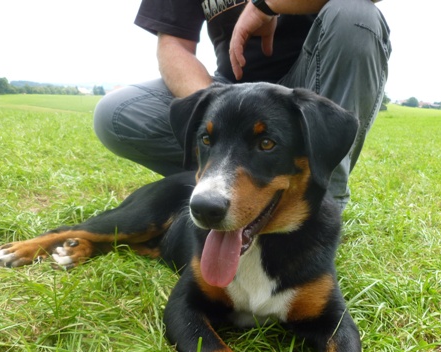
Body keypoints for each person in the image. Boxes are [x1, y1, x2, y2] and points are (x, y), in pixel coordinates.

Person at [94, 0, 391, 210]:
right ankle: (220, 187)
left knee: (357, 15)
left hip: (311, 87)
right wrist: (216, 103)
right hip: (230, 89)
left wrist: (266, 4)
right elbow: (174, 45)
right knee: (116, 112)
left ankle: (323, 204)